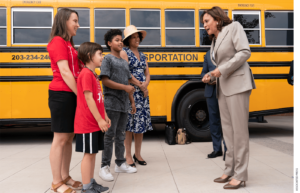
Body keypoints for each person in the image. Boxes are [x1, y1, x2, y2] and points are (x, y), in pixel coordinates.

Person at [201, 6, 256, 189]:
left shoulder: (235, 27)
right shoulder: (214, 41)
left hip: (238, 86)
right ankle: (229, 169)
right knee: (228, 132)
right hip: (222, 88)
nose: (205, 26)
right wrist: (211, 77)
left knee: (239, 132)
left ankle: (241, 174)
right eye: (203, 23)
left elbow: (244, 52)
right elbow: (220, 65)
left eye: (207, 21)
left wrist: (219, 70)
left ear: (217, 19)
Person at [47, 8, 83, 193]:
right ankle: (56, 182)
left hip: (70, 94)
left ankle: (65, 176)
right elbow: (65, 72)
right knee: (60, 139)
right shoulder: (57, 42)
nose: (78, 24)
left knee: (69, 137)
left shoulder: (69, 43)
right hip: (61, 94)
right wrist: (82, 95)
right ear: (64, 22)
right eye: (74, 20)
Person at [98, 29, 137, 182]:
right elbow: (105, 80)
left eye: (121, 40)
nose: (120, 42)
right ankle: (104, 166)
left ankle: (120, 163)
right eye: (116, 40)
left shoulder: (123, 62)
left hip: (123, 104)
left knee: (121, 135)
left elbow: (128, 83)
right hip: (111, 103)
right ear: (109, 43)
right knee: (109, 136)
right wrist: (125, 88)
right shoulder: (108, 59)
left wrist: (132, 101)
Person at [75, 42, 110, 193]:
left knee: (93, 153)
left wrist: (105, 116)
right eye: (100, 54)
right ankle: (86, 186)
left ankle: (91, 181)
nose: (102, 57)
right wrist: (99, 120)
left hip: (95, 122)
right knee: (88, 155)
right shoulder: (85, 74)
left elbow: (98, 99)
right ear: (90, 56)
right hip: (88, 123)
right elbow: (89, 99)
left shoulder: (93, 74)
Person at [120, 25, 153, 167]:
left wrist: (145, 84)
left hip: (143, 94)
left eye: (138, 36)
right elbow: (126, 74)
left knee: (140, 125)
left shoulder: (143, 54)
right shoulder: (124, 52)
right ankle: (128, 155)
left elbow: (148, 73)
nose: (137, 39)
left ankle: (138, 154)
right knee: (129, 125)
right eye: (133, 37)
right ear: (128, 40)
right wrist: (140, 86)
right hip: (131, 93)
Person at [200, 50, 227, 160]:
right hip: (211, 92)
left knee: (226, 121)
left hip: (224, 90)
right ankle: (217, 149)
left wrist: (218, 78)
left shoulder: (226, 50)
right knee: (213, 121)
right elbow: (203, 72)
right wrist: (206, 78)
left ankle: (228, 150)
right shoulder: (208, 53)